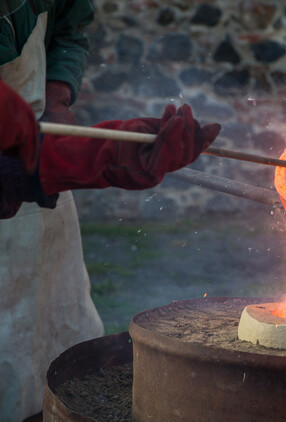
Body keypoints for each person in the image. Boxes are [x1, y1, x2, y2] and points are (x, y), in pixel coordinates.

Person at [0, 1, 220, 420]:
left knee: (53, 344)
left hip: (39, 159)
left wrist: (59, 117)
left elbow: (69, 29)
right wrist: (56, 158)